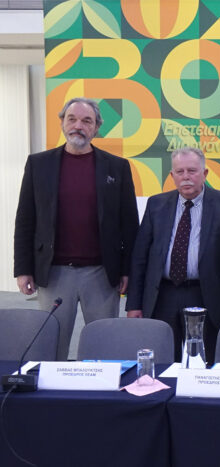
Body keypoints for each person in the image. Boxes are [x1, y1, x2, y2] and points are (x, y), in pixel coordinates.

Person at [14, 97, 139, 360]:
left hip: (101, 274)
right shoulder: (38, 164)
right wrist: (23, 269)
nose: (78, 126)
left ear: (96, 128)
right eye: (71, 119)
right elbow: (25, 219)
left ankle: (101, 388)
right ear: (62, 122)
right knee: (52, 348)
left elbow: (129, 224)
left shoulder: (117, 166)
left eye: (86, 121)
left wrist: (127, 270)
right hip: (54, 274)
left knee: (103, 347)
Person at [126, 147, 220, 363]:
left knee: (203, 360)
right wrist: (134, 304)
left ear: (204, 173)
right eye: (180, 171)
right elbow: (140, 258)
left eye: (192, 171)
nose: (186, 177)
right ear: (172, 175)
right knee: (162, 360)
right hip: (162, 295)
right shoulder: (156, 204)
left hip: (205, 295)